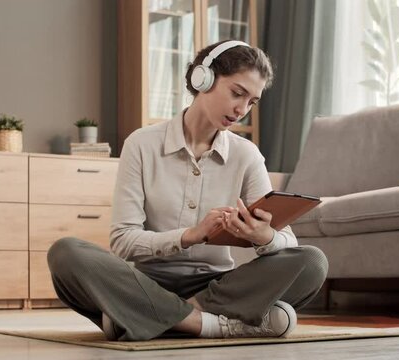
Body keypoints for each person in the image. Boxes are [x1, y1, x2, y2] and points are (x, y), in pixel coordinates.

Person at [48, 40, 328, 341]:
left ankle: (149, 317)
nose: (241, 109)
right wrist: (192, 235)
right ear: (202, 78)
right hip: (141, 282)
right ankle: (206, 324)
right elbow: (123, 241)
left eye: (252, 102)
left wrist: (264, 237)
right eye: (237, 93)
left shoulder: (246, 155)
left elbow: (289, 242)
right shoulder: (141, 145)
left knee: (312, 262)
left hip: (216, 287)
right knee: (66, 254)